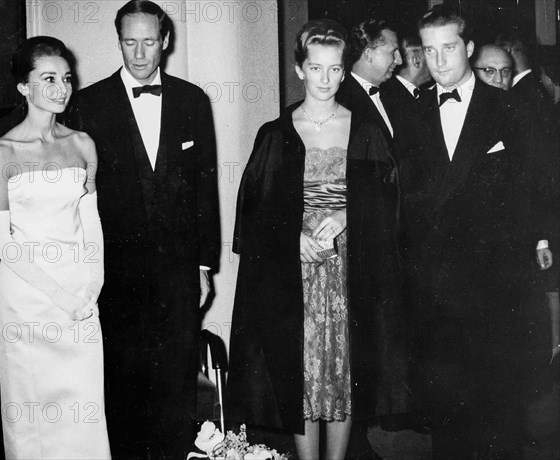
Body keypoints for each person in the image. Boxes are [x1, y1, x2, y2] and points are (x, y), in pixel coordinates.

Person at [227, 18, 400, 460]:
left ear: (344, 71)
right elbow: (252, 211)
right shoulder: (275, 133)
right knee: (301, 372)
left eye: (335, 69)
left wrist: (348, 214)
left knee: (341, 370)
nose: (326, 79)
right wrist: (290, 238)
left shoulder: (363, 130)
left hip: (349, 268)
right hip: (294, 272)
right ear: (300, 70)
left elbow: (389, 200)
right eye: (316, 68)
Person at [396, 5, 554, 458]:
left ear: (467, 47)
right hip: (435, 284)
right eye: (429, 51)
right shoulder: (407, 113)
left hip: (495, 282)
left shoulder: (508, 107)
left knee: (499, 409)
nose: (439, 61)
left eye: (448, 48)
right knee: (446, 411)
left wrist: (540, 241)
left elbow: (533, 185)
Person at [66, 0, 220, 457]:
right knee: (123, 385)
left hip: (178, 270)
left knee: (176, 382)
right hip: (114, 271)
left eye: (148, 41)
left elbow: (204, 188)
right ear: (119, 42)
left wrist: (203, 264)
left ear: (165, 40)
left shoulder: (192, 100)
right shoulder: (88, 104)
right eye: (129, 42)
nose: (138, 53)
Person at [0, 36, 110, 459]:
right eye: (48, 78)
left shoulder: (82, 144)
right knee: (34, 417)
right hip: (28, 299)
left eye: (66, 79)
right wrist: (58, 296)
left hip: (80, 299)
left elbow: (91, 226)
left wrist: (90, 288)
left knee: (83, 413)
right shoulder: (0, 152)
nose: (61, 88)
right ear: (24, 86)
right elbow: (1, 240)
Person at [337, 18, 402, 146]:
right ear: (368, 54)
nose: (399, 60)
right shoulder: (341, 104)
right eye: (393, 52)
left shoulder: (395, 96)